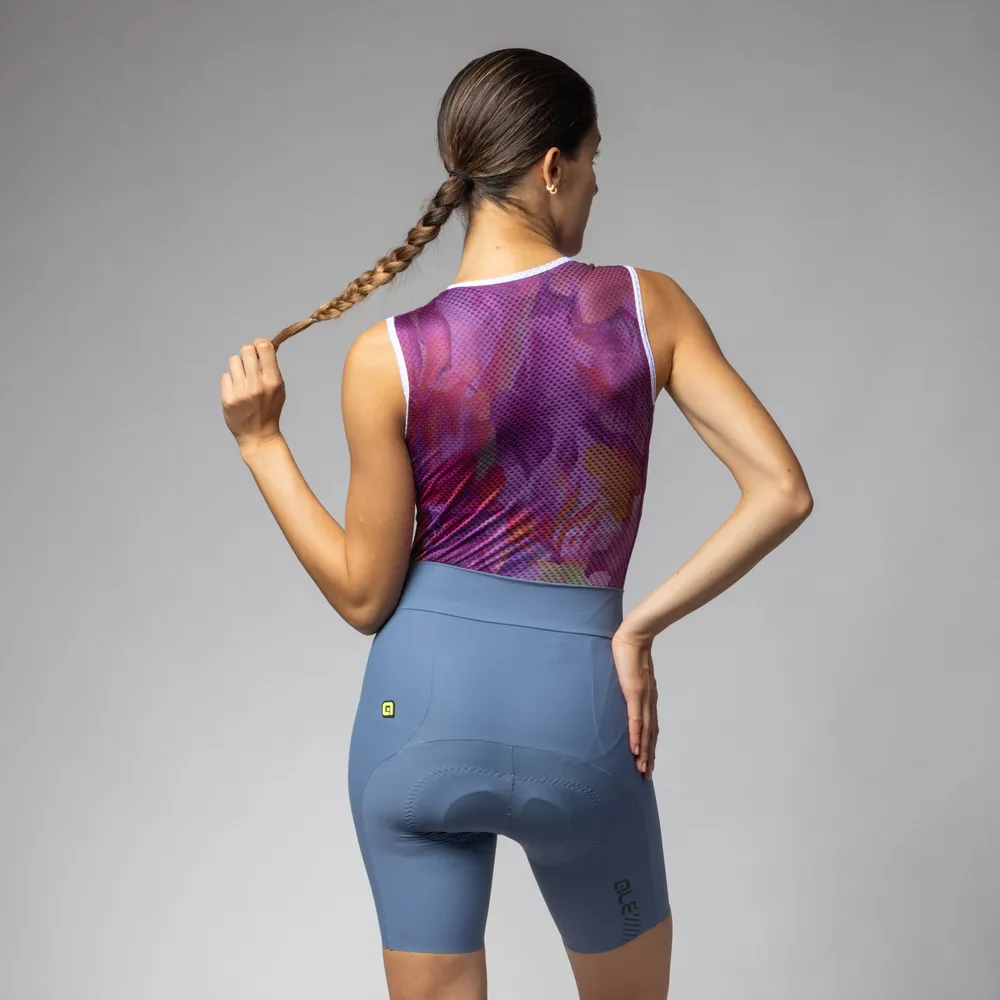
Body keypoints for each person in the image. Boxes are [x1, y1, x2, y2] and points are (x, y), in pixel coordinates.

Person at [220, 46, 813, 1000]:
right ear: (551, 166)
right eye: (593, 157)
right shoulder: (644, 306)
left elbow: (364, 597)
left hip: (412, 722)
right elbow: (782, 489)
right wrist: (639, 628)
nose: (596, 183)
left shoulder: (387, 354)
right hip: (579, 716)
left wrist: (260, 444)